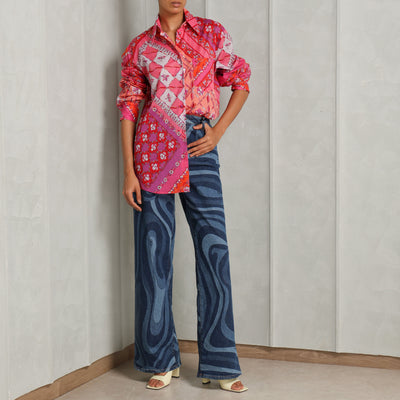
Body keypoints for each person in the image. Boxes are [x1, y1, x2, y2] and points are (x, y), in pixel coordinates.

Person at [116, 0, 251, 393]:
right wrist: (129, 171)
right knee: (153, 254)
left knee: (214, 249)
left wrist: (217, 132)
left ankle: (220, 364)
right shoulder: (140, 47)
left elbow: (241, 80)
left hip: (198, 143)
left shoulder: (211, 34)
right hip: (152, 147)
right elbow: (128, 108)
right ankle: (160, 359)